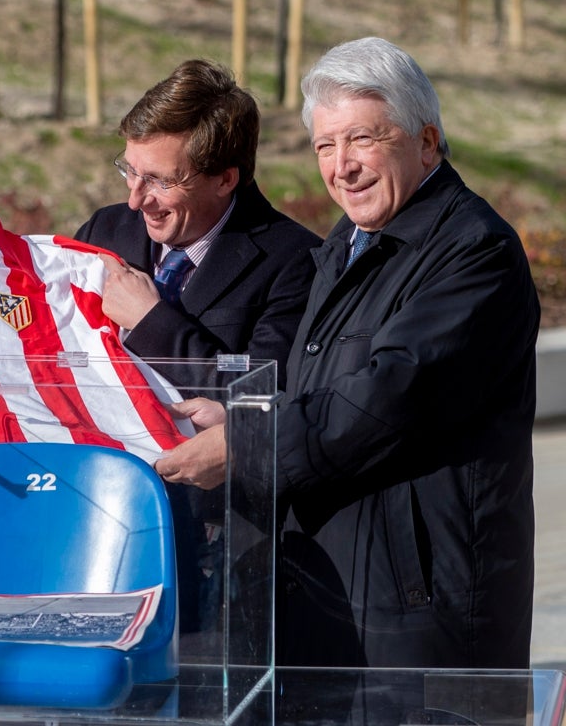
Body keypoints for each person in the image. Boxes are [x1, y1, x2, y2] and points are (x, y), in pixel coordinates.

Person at [155, 37, 538, 669]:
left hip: (419, 615)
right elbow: (322, 388)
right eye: (325, 147)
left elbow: (385, 400)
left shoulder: (476, 253)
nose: (342, 167)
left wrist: (247, 445)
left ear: (426, 141)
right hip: (334, 592)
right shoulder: (353, 239)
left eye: (362, 139)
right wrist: (244, 419)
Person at [74, 59, 321, 636]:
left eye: (161, 180)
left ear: (225, 178)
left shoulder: (295, 262)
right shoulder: (106, 231)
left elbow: (258, 400)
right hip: (97, 523)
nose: (138, 201)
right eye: (129, 172)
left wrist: (154, 321)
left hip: (217, 551)